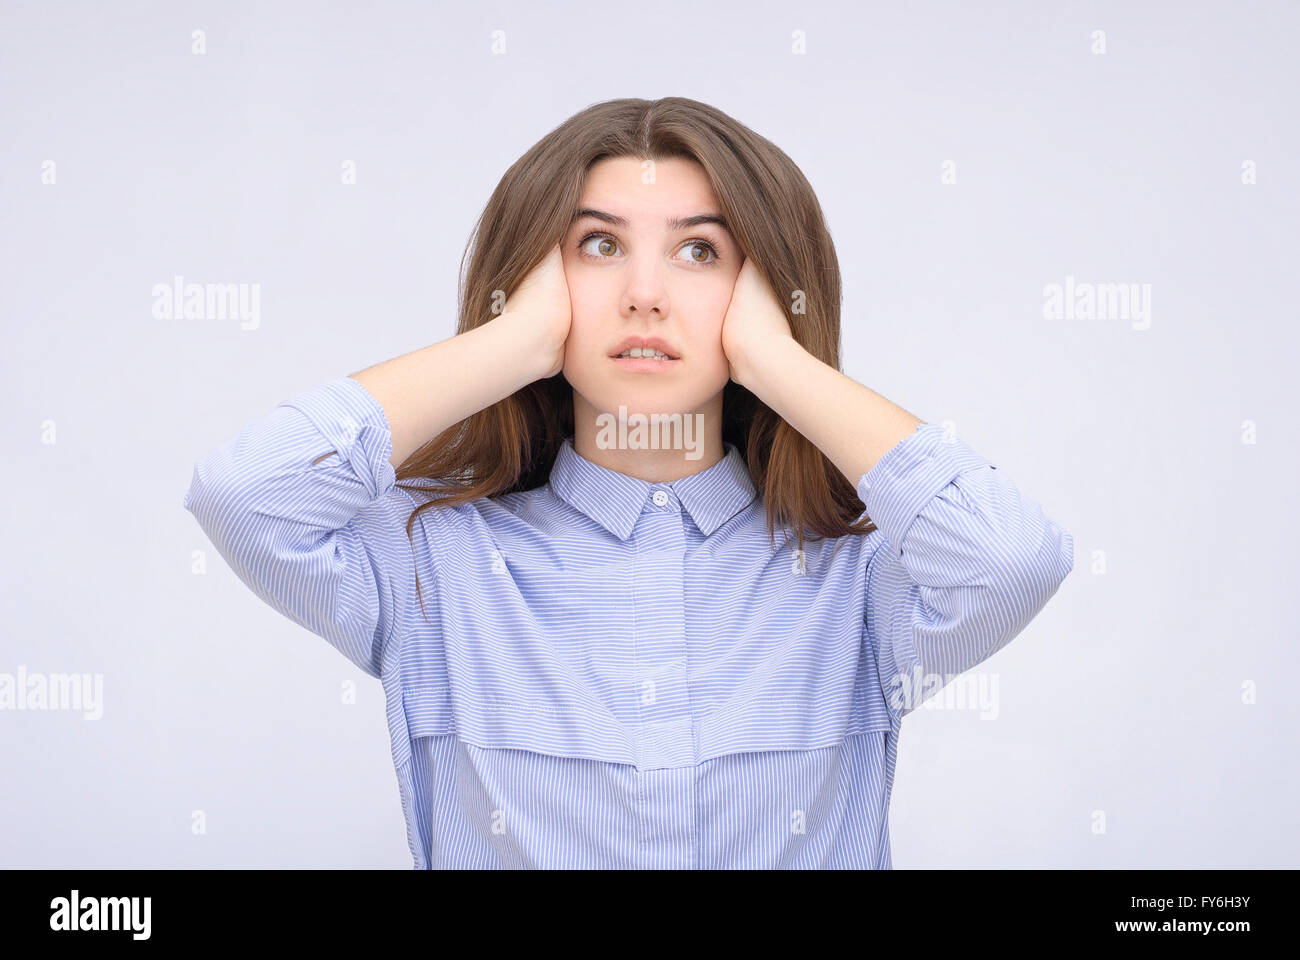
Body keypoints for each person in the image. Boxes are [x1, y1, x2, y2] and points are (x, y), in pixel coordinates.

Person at [182, 96, 1074, 869]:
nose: (645, 294)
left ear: (763, 285)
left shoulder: (856, 577)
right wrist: (508, 346)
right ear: (533, 279)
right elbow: (244, 495)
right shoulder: (431, 559)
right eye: (599, 246)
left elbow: (1012, 558)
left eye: (701, 254)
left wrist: (774, 359)